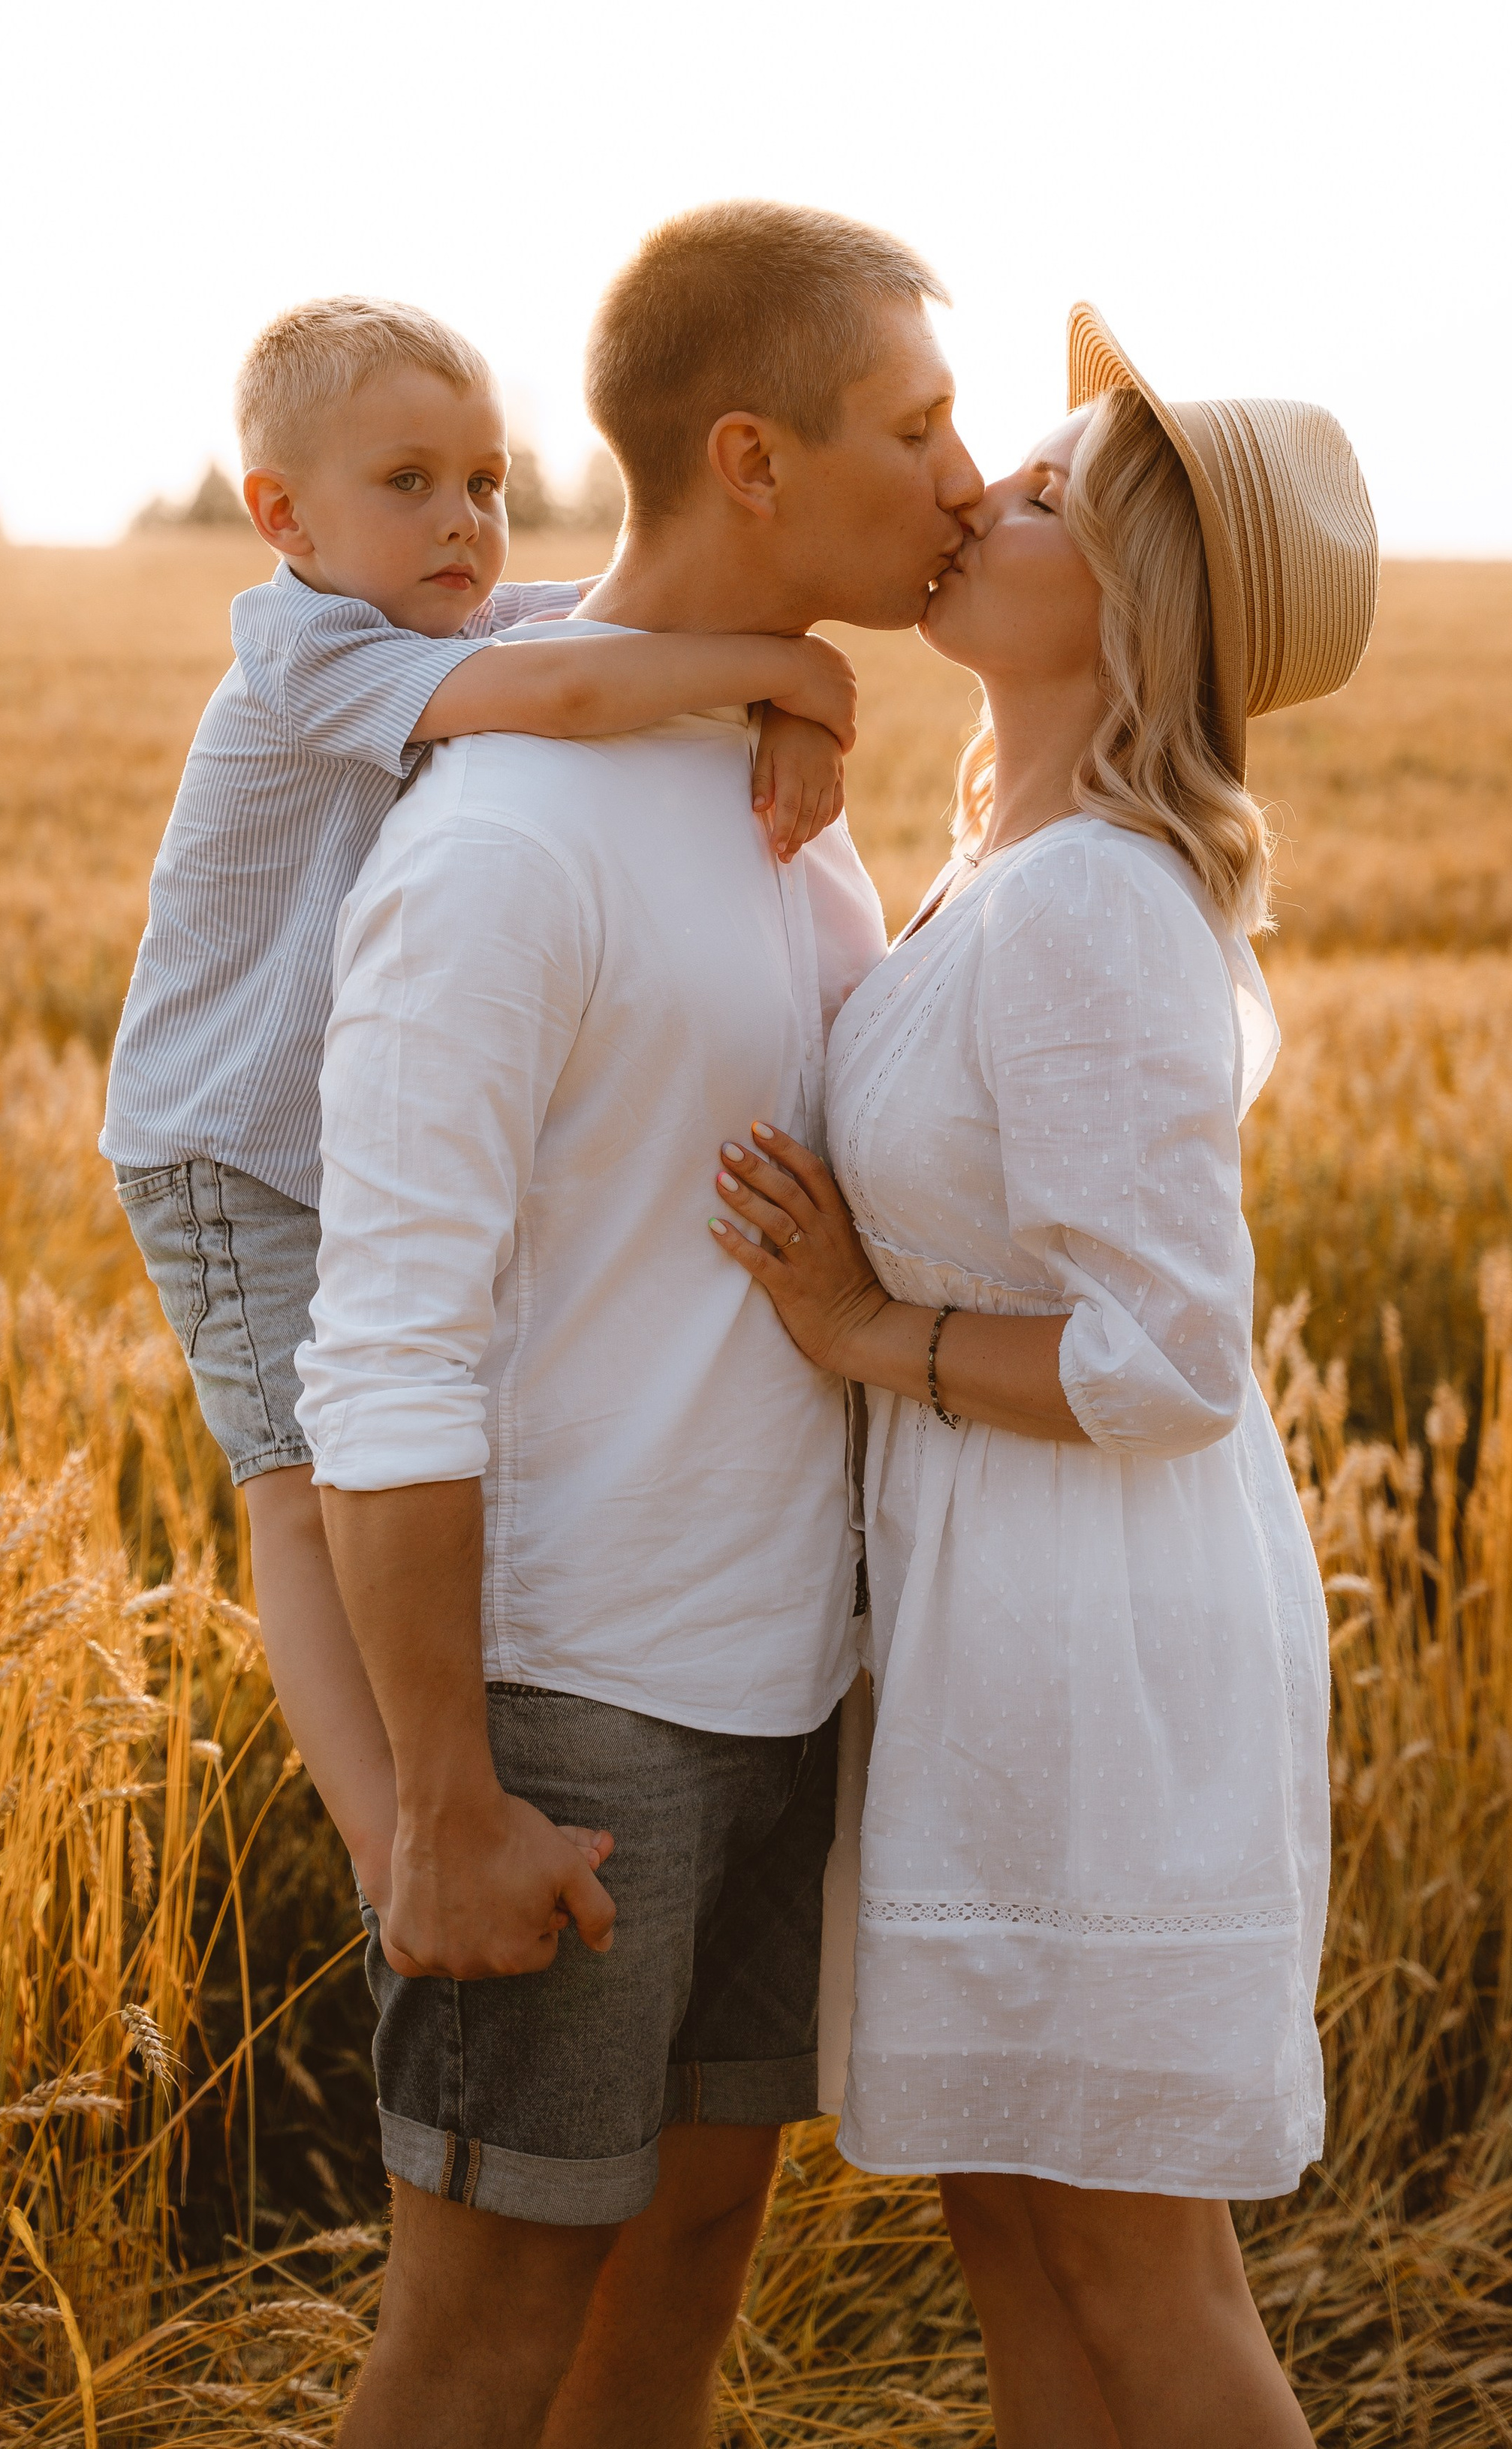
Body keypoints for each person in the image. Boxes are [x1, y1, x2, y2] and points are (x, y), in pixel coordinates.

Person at [295, 204, 984, 2448]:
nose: (964, 475)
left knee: (681, 2287)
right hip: (570, 1711)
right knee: (479, 2345)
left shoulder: (777, 788)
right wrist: (443, 1798)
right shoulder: (503, 843)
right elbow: (382, 1347)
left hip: (785, 1675)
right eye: (916, 424)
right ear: (751, 457)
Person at [706, 306, 1377, 2449]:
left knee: (1129, 2264)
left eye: (1043, 489)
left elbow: (1170, 1355)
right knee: (1014, 2223)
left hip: (1099, 1647)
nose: (972, 487)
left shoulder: (1089, 901)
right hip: (1007, 1617)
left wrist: (862, 1334)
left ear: (1136, 597)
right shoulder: (1012, 869)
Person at [101, 293, 860, 1911]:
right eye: (408, 484)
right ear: (283, 517)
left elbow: (619, 627)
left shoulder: (464, 619)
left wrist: (783, 697)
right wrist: (792, 669)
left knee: (346, 1447)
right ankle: (399, 1852)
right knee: (298, 1489)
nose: (463, 520)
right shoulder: (303, 650)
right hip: (226, 1143)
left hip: (317, 1124)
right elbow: (580, 695)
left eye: (486, 482)